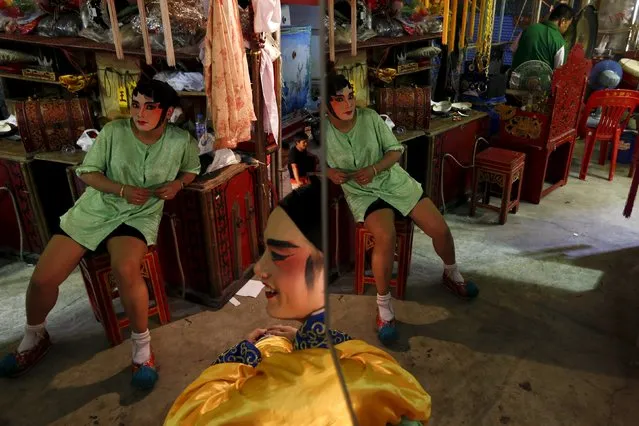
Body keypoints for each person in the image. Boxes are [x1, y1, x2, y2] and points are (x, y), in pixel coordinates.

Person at [164, 178, 431, 425]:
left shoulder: (253, 405)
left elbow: (185, 415)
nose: (260, 269)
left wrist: (242, 353)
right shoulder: (378, 376)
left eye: (279, 255)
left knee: (273, 344)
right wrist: (307, 337)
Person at [0, 79, 201, 390]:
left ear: (168, 112)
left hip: (140, 213)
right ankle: (34, 335)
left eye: (150, 107)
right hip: (97, 208)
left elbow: (191, 168)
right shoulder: (114, 132)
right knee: (42, 278)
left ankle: (141, 348)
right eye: (136, 105)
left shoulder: (180, 140)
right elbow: (89, 172)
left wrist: (179, 184)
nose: (140, 113)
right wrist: (120, 188)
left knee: (126, 268)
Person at [324, 73, 479, 345]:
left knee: (439, 229)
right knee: (385, 237)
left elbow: (396, 151)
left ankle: (451, 274)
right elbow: (310, 160)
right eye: (339, 99)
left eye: (350, 96)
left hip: (392, 181)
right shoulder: (323, 131)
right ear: (326, 105)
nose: (348, 104)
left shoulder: (370, 118)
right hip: (362, 193)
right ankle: (384, 309)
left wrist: (374, 169)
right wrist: (329, 172)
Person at [511, 3, 574, 70]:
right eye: (568, 25)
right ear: (563, 21)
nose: (566, 29)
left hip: (516, 78)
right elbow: (559, 71)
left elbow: (513, 50)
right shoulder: (560, 43)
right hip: (541, 80)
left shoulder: (528, 29)